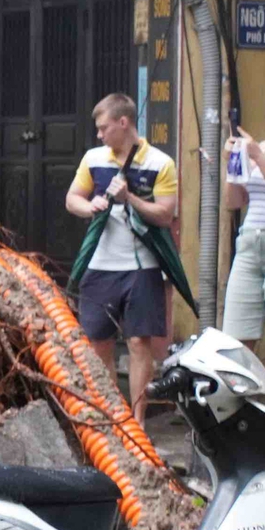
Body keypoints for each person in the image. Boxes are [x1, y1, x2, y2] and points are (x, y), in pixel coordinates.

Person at [64, 93, 180, 410]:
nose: (100, 135)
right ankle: (113, 412)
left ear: (123, 122)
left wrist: (131, 199)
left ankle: (138, 421)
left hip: (142, 265)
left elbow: (165, 215)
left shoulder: (161, 163)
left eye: (104, 128)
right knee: (97, 341)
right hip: (100, 263)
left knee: (139, 342)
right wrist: (91, 207)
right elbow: (72, 198)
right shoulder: (93, 159)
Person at [222, 91, 265, 347]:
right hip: (249, 242)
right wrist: (232, 162)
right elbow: (234, 202)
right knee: (237, 335)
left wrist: (257, 156)